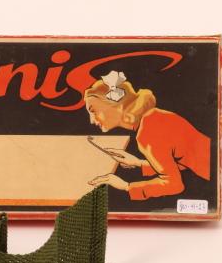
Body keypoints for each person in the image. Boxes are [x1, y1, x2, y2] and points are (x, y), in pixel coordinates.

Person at [85, 71, 211, 201]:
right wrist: (138, 163)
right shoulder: (155, 116)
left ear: (117, 106)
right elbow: (179, 163)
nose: (92, 120)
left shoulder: (147, 134)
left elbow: (174, 185)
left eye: (93, 111)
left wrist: (126, 186)